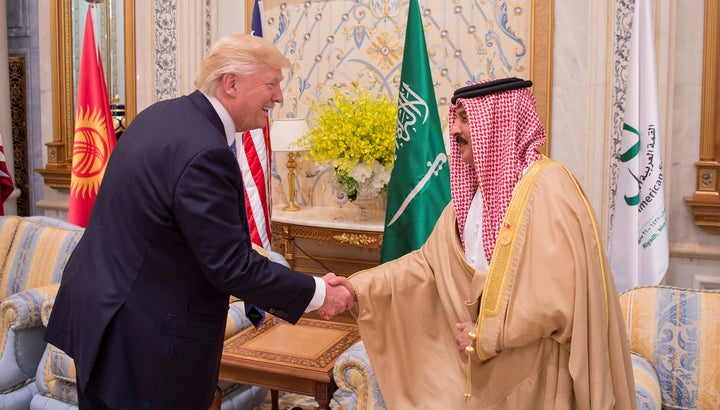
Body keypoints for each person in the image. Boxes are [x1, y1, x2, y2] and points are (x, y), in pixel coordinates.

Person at [45, 34, 354, 410]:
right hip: (145, 342)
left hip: (103, 318)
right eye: (272, 84)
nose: (279, 98)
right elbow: (230, 265)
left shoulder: (160, 115)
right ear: (231, 83)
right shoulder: (205, 150)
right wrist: (319, 293)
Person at [337, 77, 637, 409]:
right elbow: (428, 266)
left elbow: (560, 295)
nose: (454, 130)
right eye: (456, 118)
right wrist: (356, 289)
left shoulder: (550, 188)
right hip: (481, 370)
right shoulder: (472, 196)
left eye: (466, 118)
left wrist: (488, 335)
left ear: (498, 123)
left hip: (533, 373)